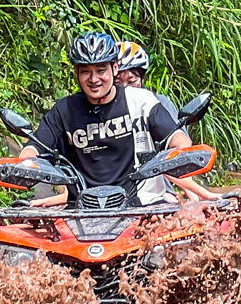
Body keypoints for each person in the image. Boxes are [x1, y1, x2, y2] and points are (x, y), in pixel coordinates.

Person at [19, 32, 212, 207]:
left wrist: (180, 153)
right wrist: (25, 164)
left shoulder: (141, 101)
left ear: (114, 68)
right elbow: (34, 147)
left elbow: (177, 139)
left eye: (101, 70)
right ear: (76, 73)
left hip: (142, 206)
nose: (93, 79)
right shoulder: (64, 110)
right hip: (82, 210)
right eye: (85, 71)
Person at [114, 39, 221, 204]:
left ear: (142, 78)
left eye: (132, 81)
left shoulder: (157, 106)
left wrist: (198, 197)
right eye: (118, 83)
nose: (126, 88)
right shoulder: (98, 112)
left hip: (156, 193)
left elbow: (176, 155)